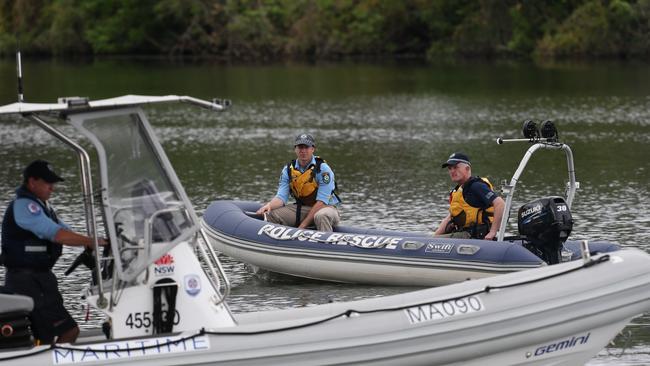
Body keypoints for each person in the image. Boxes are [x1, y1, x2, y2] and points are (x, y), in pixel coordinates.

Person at [1, 160, 107, 345]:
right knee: (69, 331)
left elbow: (66, 231)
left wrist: (96, 241)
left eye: (53, 183)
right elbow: (57, 235)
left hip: (41, 281)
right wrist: (92, 241)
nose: (52, 188)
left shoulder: (44, 207)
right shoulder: (25, 207)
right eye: (48, 183)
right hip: (28, 283)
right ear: (32, 182)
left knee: (48, 336)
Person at [256, 133, 341, 231]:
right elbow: (281, 198)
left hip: (326, 208)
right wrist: (269, 205)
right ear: (295, 149)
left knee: (320, 216)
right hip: (303, 209)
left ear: (312, 149)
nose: (303, 151)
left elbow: (321, 202)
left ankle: (326, 244)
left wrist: (302, 226)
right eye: (300, 147)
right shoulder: (288, 170)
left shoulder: (323, 169)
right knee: (272, 214)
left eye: (306, 147)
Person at [433, 152, 505, 240]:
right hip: (463, 233)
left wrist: (492, 232)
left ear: (467, 169)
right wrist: (433, 238)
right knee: (434, 238)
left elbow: (500, 203)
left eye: (455, 167)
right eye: (450, 168)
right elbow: (449, 218)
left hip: (473, 236)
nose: (452, 171)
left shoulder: (476, 186)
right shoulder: (460, 190)